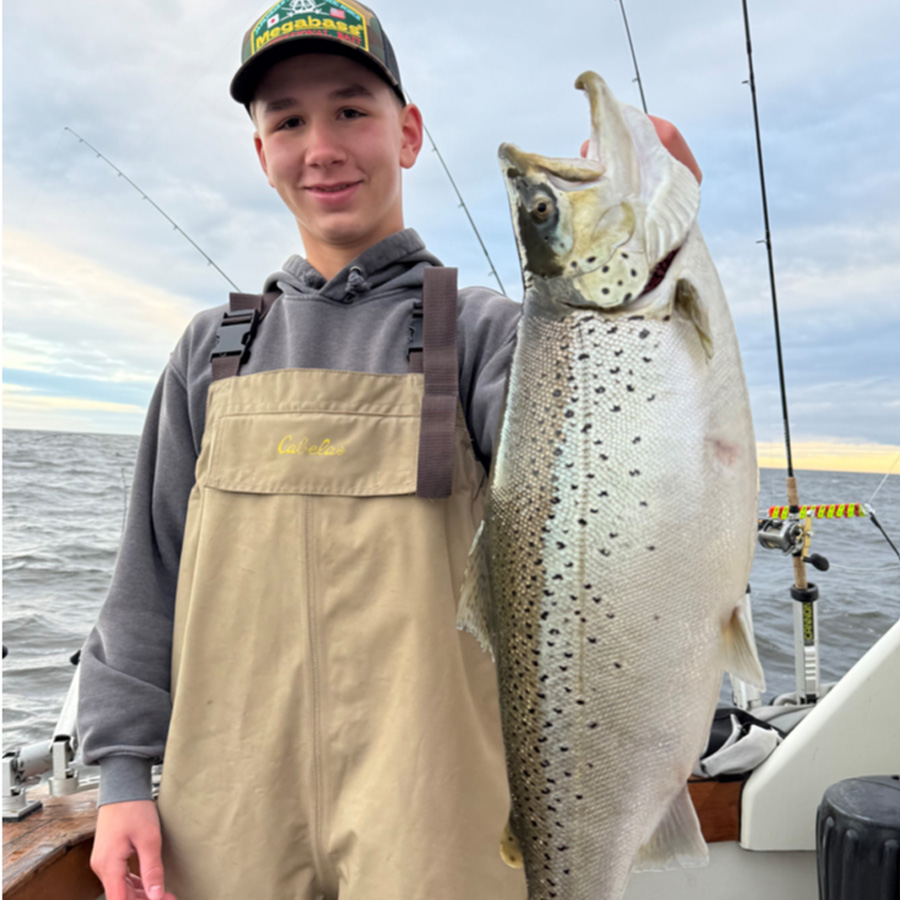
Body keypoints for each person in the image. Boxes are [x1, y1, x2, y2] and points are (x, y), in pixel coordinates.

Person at [78, 3, 701, 899]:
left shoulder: (494, 336)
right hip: (226, 815)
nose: (321, 147)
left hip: (441, 815)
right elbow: (146, 583)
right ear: (261, 153)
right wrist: (122, 780)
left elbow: (625, 485)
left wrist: (656, 251)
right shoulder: (212, 349)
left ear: (408, 134)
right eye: (287, 120)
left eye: (351, 111)